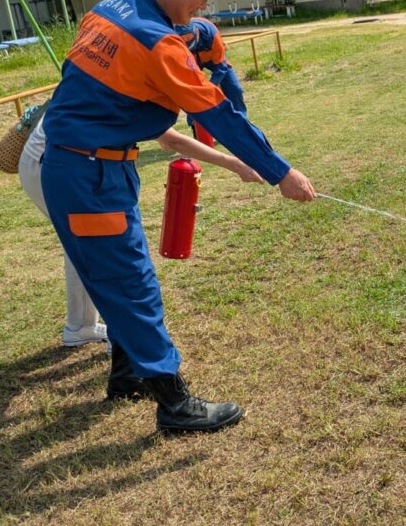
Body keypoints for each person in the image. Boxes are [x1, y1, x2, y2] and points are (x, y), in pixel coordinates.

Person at [38, 0, 315, 434]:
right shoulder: (157, 43)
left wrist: (208, 47)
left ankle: (126, 374)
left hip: (85, 166)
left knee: (118, 275)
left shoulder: (108, 10)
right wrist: (281, 173)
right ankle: (175, 405)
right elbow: (219, 115)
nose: (206, 1)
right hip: (89, 174)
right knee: (133, 284)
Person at [18, 23, 261, 351]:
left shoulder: (141, 53)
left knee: (84, 246)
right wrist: (234, 164)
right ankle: (123, 343)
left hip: (57, 158)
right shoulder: (143, 64)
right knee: (102, 248)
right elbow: (168, 138)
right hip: (54, 160)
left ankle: (81, 326)